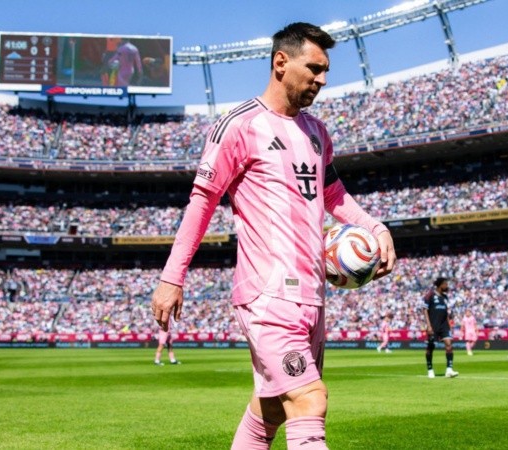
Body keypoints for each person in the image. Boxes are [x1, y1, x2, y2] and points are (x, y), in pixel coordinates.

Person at [150, 22, 396, 450]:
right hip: (268, 295)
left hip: (313, 297)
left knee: (273, 409)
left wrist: (375, 227)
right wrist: (173, 277)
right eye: (314, 68)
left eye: (325, 71)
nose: (322, 79)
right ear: (281, 62)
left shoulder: (318, 133)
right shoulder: (240, 125)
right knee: (309, 401)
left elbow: (333, 194)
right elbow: (202, 201)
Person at [422, 277, 459, 378]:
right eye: (445, 284)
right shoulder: (430, 295)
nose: (447, 286)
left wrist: (449, 325)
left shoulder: (445, 297)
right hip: (433, 325)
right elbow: (425, 310)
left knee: (449, 344)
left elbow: (446, 312)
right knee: (431, 347)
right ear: (440, 285)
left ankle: (449, 370)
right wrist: (428, 325)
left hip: (444, 326)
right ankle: (430, 369)